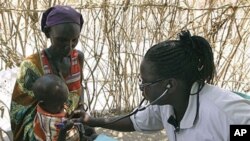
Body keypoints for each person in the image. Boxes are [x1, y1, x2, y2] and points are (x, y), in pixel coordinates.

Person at [72, 30, 250, 141]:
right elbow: (135, 121)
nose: (141, 87)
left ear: (170, 85)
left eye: (145, 82)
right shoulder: (168, 104)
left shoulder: (229, 115)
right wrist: (91, 120)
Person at [10, 5, 94, 140]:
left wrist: (81, 109)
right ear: (48, 33)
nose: (69, 47)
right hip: (43, 130)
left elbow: (79, 90)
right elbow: (20, 112)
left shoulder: (78, 58)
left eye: (74, 40)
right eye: (62, 40)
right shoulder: (32, 65)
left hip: (72, 125)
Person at [32, 74, 79, 141]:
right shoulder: (49, 124)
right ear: (43, 104)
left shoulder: (48, 106)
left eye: (64, 102)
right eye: (59, 106)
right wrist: (63, 130)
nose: (64, 107)